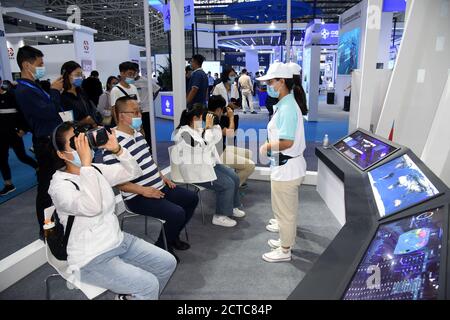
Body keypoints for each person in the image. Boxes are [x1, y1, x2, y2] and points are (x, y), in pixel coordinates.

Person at [49, 122, 176, 300]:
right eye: (75, 143)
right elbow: (92, 207)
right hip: (90, 257)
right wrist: (85, 166)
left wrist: (117, 150)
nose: (82, 146)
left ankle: (130, 297)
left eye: (82, 140)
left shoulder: (95, 170)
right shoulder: (59, 187)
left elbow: (133, 172)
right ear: (61, 154)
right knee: (149, 285)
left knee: (167, 262)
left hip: (116, 239)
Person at [99, 97, 198, 262]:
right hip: (138, 196)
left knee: (191, 199)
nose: (139, 115)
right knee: (177, 213)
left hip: (158, 187)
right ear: (121, 115)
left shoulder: (137, 134)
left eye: (139, 111)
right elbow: (117, 182)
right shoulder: (112, 144)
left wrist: (162, 177)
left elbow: (149, 159)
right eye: (134, 112)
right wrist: (144, 191)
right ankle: (163, 246)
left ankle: (171, 236)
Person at [257, 62, 307, 263]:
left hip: (286, 168)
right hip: (285, 166)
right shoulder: (286, 104)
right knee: (287, 211)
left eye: (271, 81)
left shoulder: (287, 107)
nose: (268, 85)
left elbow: (287, 142)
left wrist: (267, 146)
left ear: (282, 82)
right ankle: (286, 242)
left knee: (284, 212)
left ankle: (285, 250)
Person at [13, 45, 65, 238]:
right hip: (44, 144)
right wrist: (54, 91)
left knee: (54, 185)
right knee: (46, 189)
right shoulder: (24, 91)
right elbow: (48, 111)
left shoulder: (33, 86)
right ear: (27, 65)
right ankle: (47, 229)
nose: (42, 67)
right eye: (39, 63)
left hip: (51, 140)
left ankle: (56, 224)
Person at [173, 104, 246, 228]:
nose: (204, 120)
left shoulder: (196, 129)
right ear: (195, 118)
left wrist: (215, 126)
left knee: (234, 177)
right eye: (202, 117)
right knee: (226, 184)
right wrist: (207, 129)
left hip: (207, 164)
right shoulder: (182, 133)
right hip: (194, 170)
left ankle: (232, 206)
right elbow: (201, 146)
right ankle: (220, 216)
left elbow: (214, 141)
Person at [0, 77, 38, 196]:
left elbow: (24, 113)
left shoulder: (12, 96)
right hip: (1, 135)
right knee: (2, 160)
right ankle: (8, 184)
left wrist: (23, 129)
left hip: (14, 133)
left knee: (22, 156)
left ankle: (38, 168)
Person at [207, 95, 255, 187]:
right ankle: (232, 186)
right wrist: (231, 117)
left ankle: (234, 178)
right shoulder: (213, 120)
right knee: (250, 166)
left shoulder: (209, 115)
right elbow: (230, 134)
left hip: (221, 148)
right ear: (218, 109)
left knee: (248, 153)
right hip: (217, 154)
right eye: (222, 109)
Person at [60, 61, 102, 127]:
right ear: (67, 76)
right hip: (77, 135)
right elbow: (67, 124)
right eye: (77, 75)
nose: (80, 77)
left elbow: (91, 110)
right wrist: (84, 121)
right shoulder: (62, 98)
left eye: (81, 74)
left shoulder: (81, 92)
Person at [134, 63, 160, 147]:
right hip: (134, 111)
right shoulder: (129, 83)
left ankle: (150, 148)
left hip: (146, 110)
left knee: (147, 131)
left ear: (138, 71)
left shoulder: (145, 81)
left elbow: (157, 89)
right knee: (136, 130)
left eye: (134, 71)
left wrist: (151, 100)